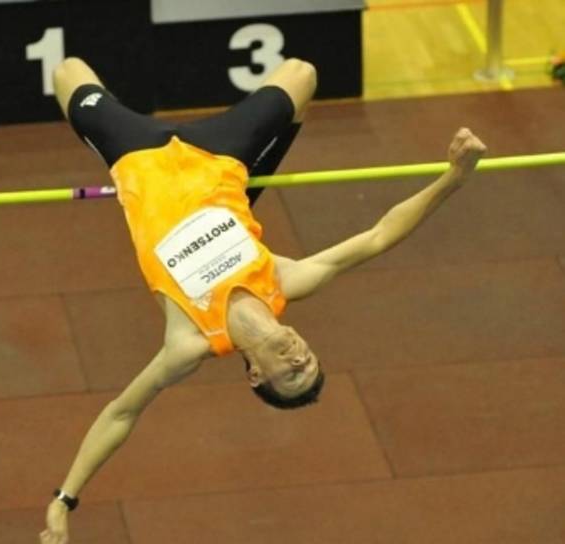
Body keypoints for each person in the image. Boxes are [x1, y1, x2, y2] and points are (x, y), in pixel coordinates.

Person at [39, 57, 487, 543]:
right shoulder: (283, 280)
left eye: (291, 373)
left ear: (255, 373)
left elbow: (121, 414)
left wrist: (64, 500)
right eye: (307, 361)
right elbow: (378, 237)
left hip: (137, 157)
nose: (298, 357)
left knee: (66, 72)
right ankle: (260, 167)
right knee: (303, 74)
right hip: (220, 155)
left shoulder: (190, 341)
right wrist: (453, 179)